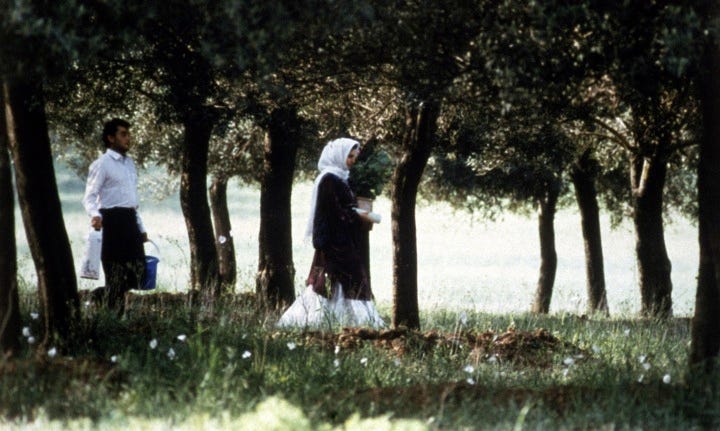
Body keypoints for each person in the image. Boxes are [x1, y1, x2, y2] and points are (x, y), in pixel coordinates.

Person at [278, 137, 385, 328]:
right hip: (334, 242)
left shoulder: (342, 178)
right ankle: (319, 322)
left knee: (342, 282)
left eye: (354, 156)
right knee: (341, 281)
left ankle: (347, 324)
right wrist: (357, 216)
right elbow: (335, 213)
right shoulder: (329, 180)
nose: (352, 160)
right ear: (338, 156)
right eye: (349, 156)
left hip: (342, 240)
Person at [82, 118, 147, 315]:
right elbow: (89, 197)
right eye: (123, 134)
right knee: (115, 275)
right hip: (111, 222)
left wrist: (141, 228)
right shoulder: (101, 164)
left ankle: (99, 296)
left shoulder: (129, 164)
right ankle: (114, 319)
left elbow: (132, 201)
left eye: (128, 134)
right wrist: (95, 215)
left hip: (129, 220)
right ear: (111, 138)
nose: (128, 138)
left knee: (139, 273)